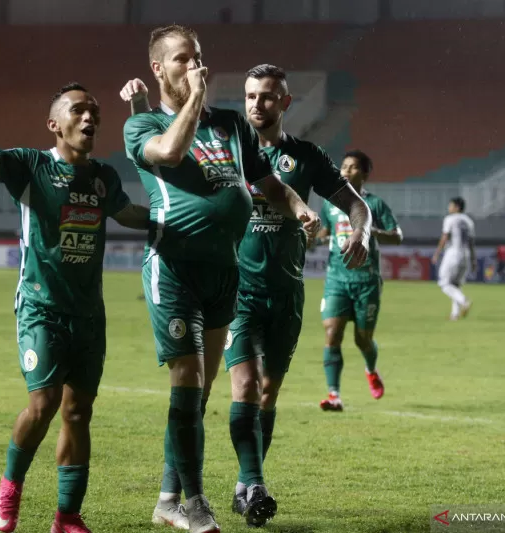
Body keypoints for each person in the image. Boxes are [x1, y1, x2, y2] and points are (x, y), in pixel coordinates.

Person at [121, 63, 371, 527]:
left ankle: (242, 486)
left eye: (268, 96)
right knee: (238, 386)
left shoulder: (306, 156)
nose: (257, 103)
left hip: (287, 291)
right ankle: (238, 486)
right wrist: (140, 106)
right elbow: (160, 158)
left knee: (267, 393)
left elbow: (355, 204)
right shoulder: (223, 146)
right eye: (251, 95)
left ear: (286, 102)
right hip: (236, 289)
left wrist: (361, 231)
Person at [0, 83, 150, 533]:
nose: (90, 117)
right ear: (54, 124)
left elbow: (128, 214)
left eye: (94, 111)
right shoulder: (31, 166)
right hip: (41, 308)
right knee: (43, 404)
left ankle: (67, 517)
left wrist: (181, 218)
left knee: (78, 413)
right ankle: (11, 484)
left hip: (89, 314)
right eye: (78, 110)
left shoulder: (104, 177)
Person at [311, 150, 403, 411]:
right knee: (332, 334)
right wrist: (312, 238)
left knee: (362, 339)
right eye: (343, 166)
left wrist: (370, 231)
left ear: (364, 174)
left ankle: (371, 370)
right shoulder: (330, 204)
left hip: (366, 281)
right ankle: (334, 395)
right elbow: (325, 233)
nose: (346, 171)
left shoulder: (375, 205)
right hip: (336, 280)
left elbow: (397, 236)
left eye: (352, 167)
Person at [432, 197, 476, 320]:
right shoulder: (469, 221)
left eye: (450, 205)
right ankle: (455, 314)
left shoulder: (450, 219)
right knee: (456, 285)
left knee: (444, 283)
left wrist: (437, 253)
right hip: (466, 255)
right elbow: (471, 243)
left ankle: (464, 301)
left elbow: (445, 236)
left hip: (453, 253)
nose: (449, 208)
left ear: (456, 207)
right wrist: (473, 260)